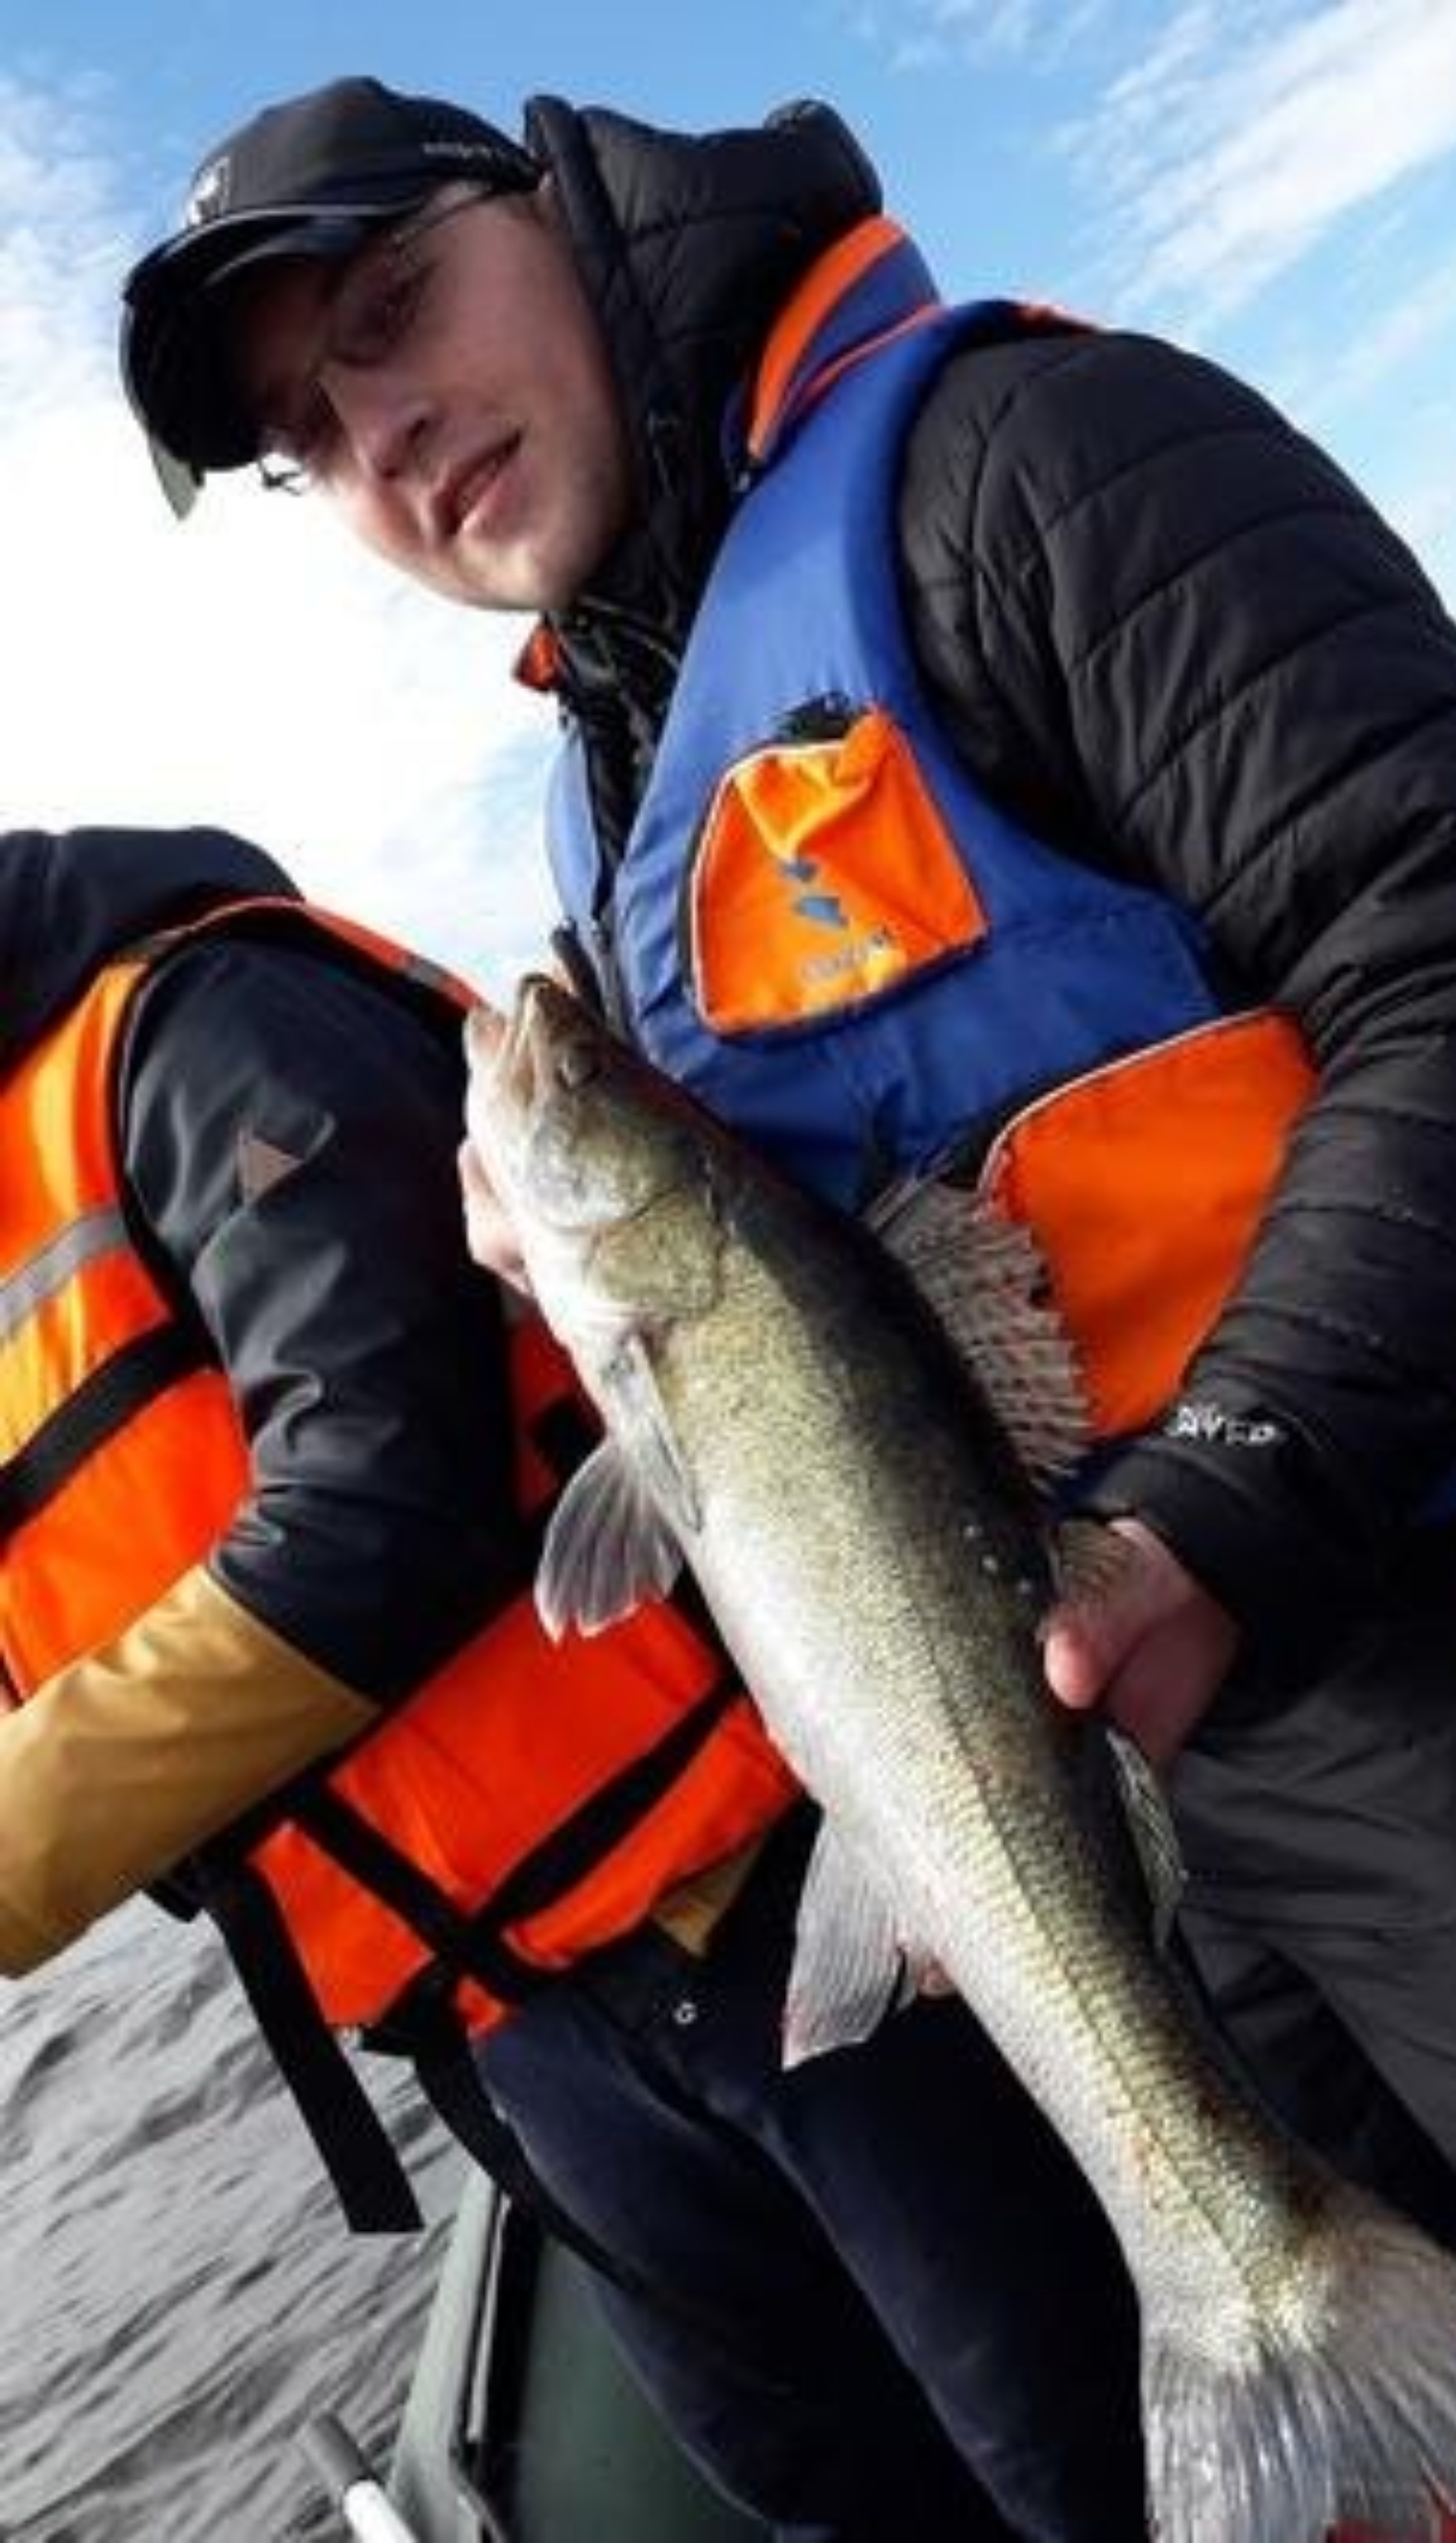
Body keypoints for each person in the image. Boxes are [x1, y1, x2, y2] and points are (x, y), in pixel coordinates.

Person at [116, 76, 1456, 2538]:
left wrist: (1228, 1508)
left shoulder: (1023, 457)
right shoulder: (622, 777)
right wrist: (555, 1261)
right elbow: (797, 1341)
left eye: (398, 313)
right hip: (1123, 1777)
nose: (388, 436)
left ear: (554, 198)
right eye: (313, 434)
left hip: (1450, 1630)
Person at [0, 822, 1151, 2541]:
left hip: (795, 1868)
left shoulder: (194, 1024)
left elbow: (389, 1493)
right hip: (514, 2032)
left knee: (1090, 2452)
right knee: (844, 2505)